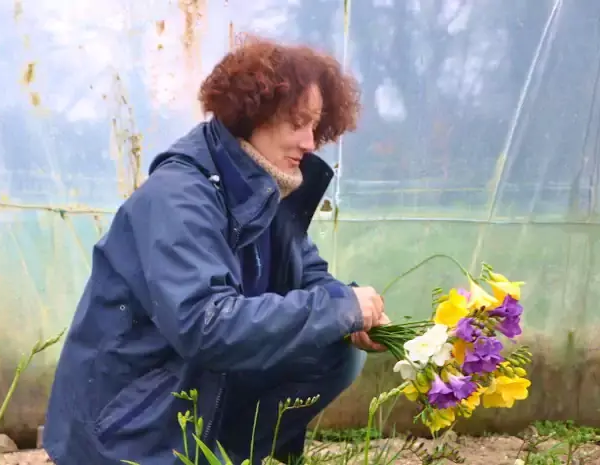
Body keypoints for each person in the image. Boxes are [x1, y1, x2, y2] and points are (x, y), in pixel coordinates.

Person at [43, 35, 389, 465]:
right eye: (297, 123)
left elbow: (310, 274)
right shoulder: (179, 196)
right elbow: (204, 324)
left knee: (334, 346)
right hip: (127, 424)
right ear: (253, 113)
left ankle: (224, 457)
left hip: (195, 389)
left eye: (315, 126)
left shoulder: (269, 191)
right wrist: (337, 308)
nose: (309, 142)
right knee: (321, 321)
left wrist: (352, 310)